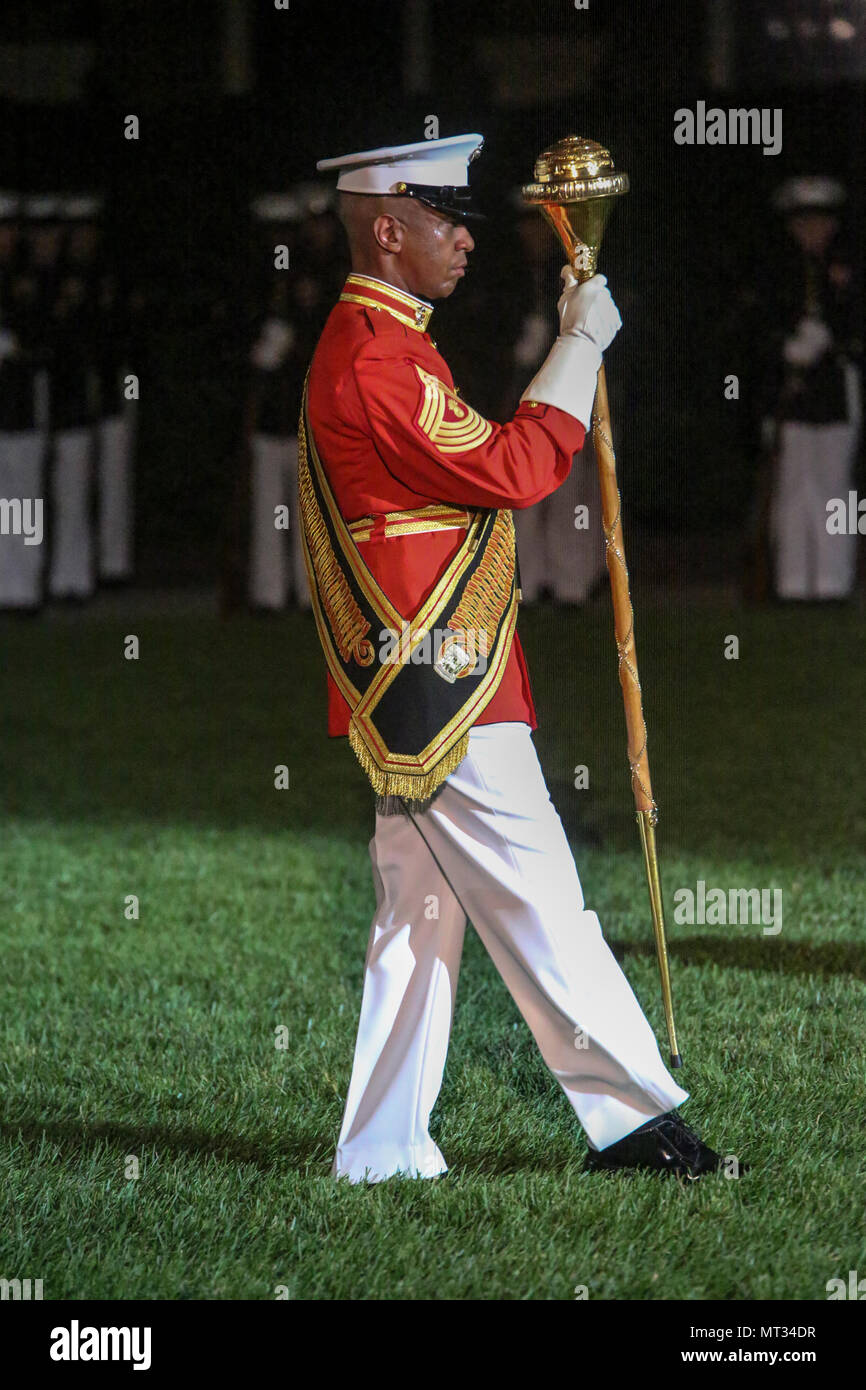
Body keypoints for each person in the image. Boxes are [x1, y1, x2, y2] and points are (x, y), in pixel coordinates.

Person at [302, 133, 725, 1183]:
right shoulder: (374, 356)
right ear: (387, 229)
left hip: (423, 679)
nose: (464, 241)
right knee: (540, 898)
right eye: (446, 221)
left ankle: (381, 1146)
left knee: (418, 917)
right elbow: (514, 465)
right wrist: (576, 344)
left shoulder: (381, 340)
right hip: (441, 683)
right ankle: (630, 1123)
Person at [761, 177, 862, 601]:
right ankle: (793, 584)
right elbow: (760, 335)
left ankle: (832, 584)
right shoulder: (780, 273)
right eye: (803, 223)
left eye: (819, 222)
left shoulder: (849, 270)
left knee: (833, 489)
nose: (811, 231)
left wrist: (833, 336)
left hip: (836, 394)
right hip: (794, 398)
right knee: (793, 489)